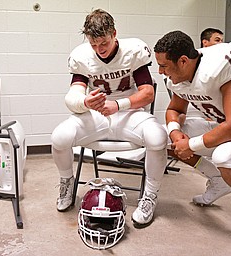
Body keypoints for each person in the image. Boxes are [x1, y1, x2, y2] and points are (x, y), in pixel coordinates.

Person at [51, 9, 167, 227]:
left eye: (103, 43)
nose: (99, 49)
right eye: (93, 45)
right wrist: (84, 102)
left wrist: (118, 104)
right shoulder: (82, 56)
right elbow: (73, 94)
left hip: (128, 113)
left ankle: (149, 195)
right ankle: (67, 181)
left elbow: (147, 93)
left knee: (158, 137)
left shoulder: (133, 51)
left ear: (114, 33)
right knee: (59, 137)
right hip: (97, 115)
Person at [154, 30, 231, 245]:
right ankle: (217, 179)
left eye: (164, 66)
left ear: (184, 61)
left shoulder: (220, 65)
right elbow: (174, 109)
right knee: (160, 137)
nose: (161, 71)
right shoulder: (180, 76)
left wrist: (192, 144)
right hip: (223, 125)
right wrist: (176, 132)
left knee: (227, 157)